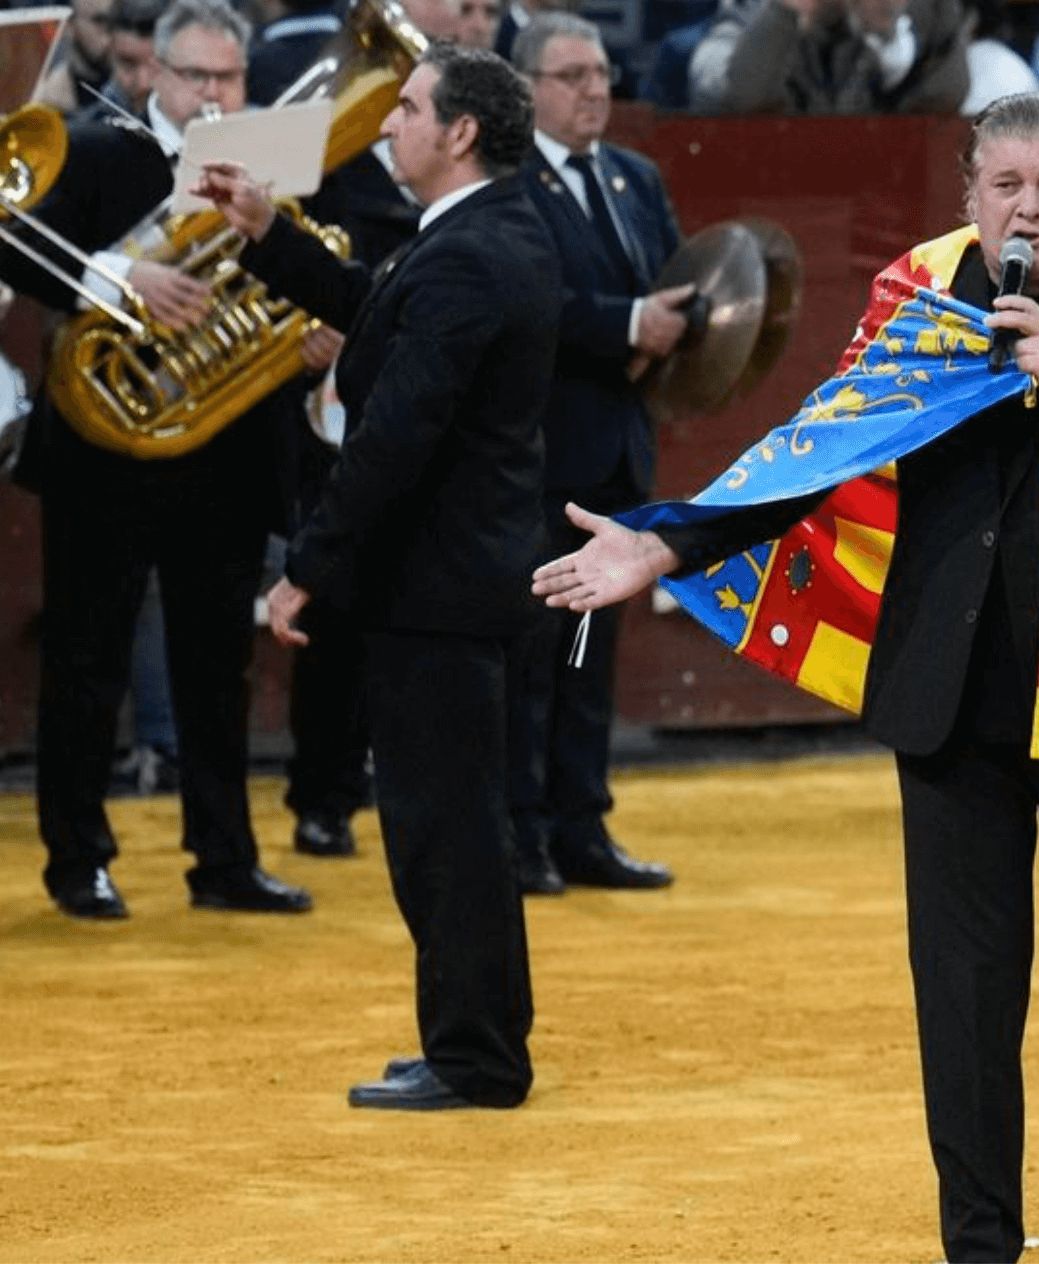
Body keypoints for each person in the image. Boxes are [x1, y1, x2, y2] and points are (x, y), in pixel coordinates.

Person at [534, 91, 1039, 1264]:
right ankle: (978, 1246)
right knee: (961, 994)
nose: (1026, 209)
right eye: (1004, 185)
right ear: (968, 197)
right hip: (946, 693)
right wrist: (662, 541)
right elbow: (819, 448)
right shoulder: (918, 296)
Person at [197, 43, 558, 1108]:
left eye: (406, 108)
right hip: (454, 582)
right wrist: (270, 232)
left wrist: (307, 569)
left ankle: (476, 1055)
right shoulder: (477, 237)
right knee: (454, 826)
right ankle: (473, 1040)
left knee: (444, 830)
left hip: (437, 588)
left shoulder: (470, 252)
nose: (388, 122)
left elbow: (395, 433)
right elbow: (374, 305)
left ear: (459, 132)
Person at [3, 0, 312, 920]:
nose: (213, 94)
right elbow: (14, 242)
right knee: (87, 660)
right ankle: (77, 861)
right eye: (197, 77)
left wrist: (315, 324)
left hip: (229, 448)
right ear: (156, 74)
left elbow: (298, 268)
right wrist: (120, 276)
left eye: (229, 79)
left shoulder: (276, 158)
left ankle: (224, 860)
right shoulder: (96, 146)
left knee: (220, 667)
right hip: (105, 453)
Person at [275, 0, 501, 864]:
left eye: (410, 108)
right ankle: (324, 791)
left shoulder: (470, 224)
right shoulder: (331, 131)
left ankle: (360, 789)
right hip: (325, 394)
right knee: (339, 621)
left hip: (394, 413)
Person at [507, 11, 685, 894]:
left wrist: (673, 326)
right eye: (572, 75)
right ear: (527, 88)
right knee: (530, 656)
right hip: (537, 452)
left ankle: (581, 826)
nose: (595, 89)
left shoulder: (635, 177)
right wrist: (630, 326)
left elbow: (669, 282)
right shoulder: (510, 182)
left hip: (615, 447)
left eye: (602, 72)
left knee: (587, 658)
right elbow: (533, 300)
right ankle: (522, 834)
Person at [686, 0, 970, 114]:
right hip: (767, 193)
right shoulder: (749, 12)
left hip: (873, 202)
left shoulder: (918, 13)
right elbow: (736, 96)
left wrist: (886, 31)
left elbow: (944, 103)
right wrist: (788, 14)